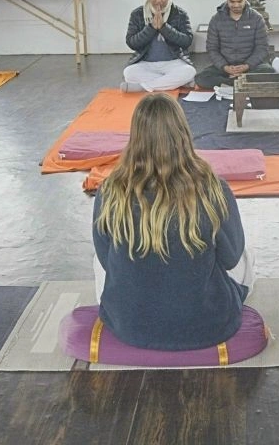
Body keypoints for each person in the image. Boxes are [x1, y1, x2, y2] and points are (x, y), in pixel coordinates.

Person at [92, 94, 253, 350]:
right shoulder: (213, 189)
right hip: (208, 325)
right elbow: (232, 258)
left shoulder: (110, 190)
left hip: (129, 325)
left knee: (107, 255)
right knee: (243, 251)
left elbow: (104, 258)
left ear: (135, 137)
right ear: (183, 134)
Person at [195, 0, 272, 91]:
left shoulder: (257, 18)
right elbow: (212, 48)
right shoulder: (216, 19)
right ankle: (239, 81)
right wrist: (225, 67)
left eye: (240, 1)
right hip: (226, 68)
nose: (236, 5)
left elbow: (262, 48)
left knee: (269, 71)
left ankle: (233, 81)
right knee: (201, 78)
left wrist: (247, 65)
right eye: (232, 2)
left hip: (250, 67)